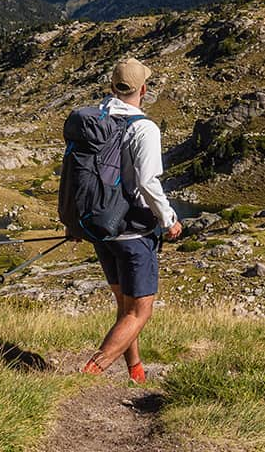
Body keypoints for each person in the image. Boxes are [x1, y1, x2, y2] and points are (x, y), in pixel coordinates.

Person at [81, 57, 183, 384]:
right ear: (143, 89)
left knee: (124, 308)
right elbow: (148, 182)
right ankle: (88, 374)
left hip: (102, 230)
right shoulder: (144, 128)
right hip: (133, 232)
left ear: (112, 87)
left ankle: (135, 371)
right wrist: (168, 220)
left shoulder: (96, 121)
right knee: (140, 312)